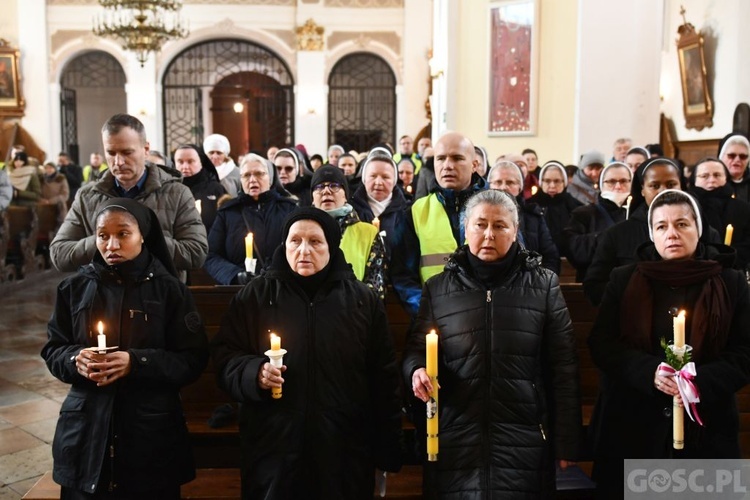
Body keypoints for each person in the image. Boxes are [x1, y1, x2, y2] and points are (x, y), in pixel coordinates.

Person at [211, 207, 402, 499]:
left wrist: (386, 452)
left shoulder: (362, 301)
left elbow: (384, 379)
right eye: (295, 241)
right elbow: (225, 358)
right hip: (275, 447)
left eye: (315, 242)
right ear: (283, 245)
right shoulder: (255, 296)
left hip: (344, 448)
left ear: (331, 247)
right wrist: (255, 373)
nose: (303, 250)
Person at [404, 189, 582, 498]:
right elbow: (417, 348)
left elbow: (563, 367)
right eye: (480, 224)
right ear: (465, 229)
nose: (489, 234)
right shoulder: (439, 288)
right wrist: (416, 370)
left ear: (515, 232)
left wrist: (566, 440)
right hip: (457, 435)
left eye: (500, 225)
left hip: (524, 435)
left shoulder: (543, 285)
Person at [42, 198, 208, 499]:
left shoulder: (170, 291)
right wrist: (74, 359)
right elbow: (54, 348)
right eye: (103, 235)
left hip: (149, 432)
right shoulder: (73, 288)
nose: (111, 244)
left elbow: (192, 359)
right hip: (86, 432)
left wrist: (136, 362)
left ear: (143, 235)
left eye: (123, 234)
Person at [587, 189, 750, 498]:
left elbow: (745, 351)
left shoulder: (729, 281)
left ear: (698, 229)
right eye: (661, 226)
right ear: (651, 233)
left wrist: (697, 381)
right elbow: (602, 342)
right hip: (633, 425)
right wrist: (649, 372)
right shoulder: (624, 278)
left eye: (682, 224)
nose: (671, 233)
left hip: (708, 428)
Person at [50, 113, 208, 281]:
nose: (118, 161)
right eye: (111, 153)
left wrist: (144, 238)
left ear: (145, 150)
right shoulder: (87, 196)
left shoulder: (177, 193)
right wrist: (106, 239)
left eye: (127, 152)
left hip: (159, 297)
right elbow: (60, 254)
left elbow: (196, 253)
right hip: (103, 297)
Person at [391, 132, 487, 317]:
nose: (447, 166)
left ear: (474, 165)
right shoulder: (418, 211)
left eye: (457, 158)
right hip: (433, 319)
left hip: (483, 319)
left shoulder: (497, 208)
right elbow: (402, 274)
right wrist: (425, 312)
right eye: (440, 158)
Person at [583, 158, 684, 305]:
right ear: (642, 189)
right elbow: (594, 286)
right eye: (654, 185)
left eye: (671, 184)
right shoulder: (617, 234)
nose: (663, 191)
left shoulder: (701, 230)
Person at [205, 153, 297, 285]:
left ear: (269, 178)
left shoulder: (289, 209)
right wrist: (235, 275)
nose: (252, 179)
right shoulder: (228, 213)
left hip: (282, 288)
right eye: (247, 175)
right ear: (241, 180)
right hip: (241, 289)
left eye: (259, 174)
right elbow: (211, 255)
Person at [311, 165, 386, 299]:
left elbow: (374, 290)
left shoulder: (368, 233)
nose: (326, 191)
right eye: (319, 187)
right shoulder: (300, 232)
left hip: (353, 314)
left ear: (345, 195)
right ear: (312, 197)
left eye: (334, 186)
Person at [561, 162, 632, 282]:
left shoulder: (638, 214)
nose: (618, 186)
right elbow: (574, 250)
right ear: (601, 185)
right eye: (611, 182)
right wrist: (609, 237)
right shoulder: (583, 214)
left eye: (624, 181)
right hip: (594, 283)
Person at [487, 160, 559, 274]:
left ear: (520, 187)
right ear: (489, 185)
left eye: (510, 182)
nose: (503, 187)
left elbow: (550, 256)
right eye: (498, 182)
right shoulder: (478, 215)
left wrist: (541, 283)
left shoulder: (534, 217)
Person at [690, 156, 750, 270]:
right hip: (695, 269)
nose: (711, 180)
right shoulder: (687, 207)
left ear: (726, 178)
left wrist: (731, 256)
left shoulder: (743, 207)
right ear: (694, 180)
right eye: (704, 176)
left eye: (717, 175)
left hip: (734, 268)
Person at [350, 151, 409, 264]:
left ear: (394, 181)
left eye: (386, 177)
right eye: (373, 176)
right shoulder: (351, 211)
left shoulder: (406, 212)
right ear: (364, 179)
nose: (378, 182)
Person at [528, 161, 582, 253]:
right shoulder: (530, 206)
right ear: (541, 182)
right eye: (547, 181)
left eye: (557, 181)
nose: (552, 185)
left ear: (564, 182)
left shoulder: (576, 207)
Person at [174, 144, 226, 231]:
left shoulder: (215, 189)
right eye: (180, 162)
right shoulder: (170, 189)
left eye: (190, 161)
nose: (185, 167)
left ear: (201, 163)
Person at [203, 133, 241, 198]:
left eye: (219, 153)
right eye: (211, 153)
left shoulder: (237, 172)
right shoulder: (202, 172)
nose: (215, 156)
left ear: (225, 154)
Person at [719, 134, 750, 202]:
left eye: (743, 156)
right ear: (721, 157)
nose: (737, 160)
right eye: (731, 155)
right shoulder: (713, 183)